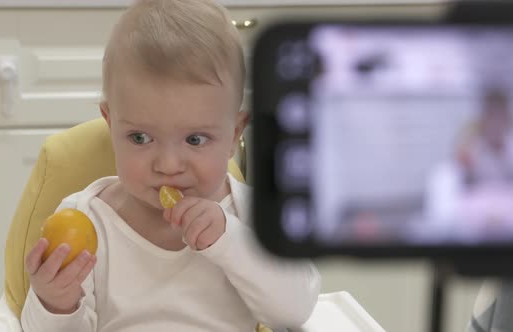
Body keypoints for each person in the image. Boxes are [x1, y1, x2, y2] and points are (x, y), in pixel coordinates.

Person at [19, 1, 321, 331]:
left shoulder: (249, 214)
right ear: (110, 124)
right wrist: (55, 304)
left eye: (195, 139)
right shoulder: (88, 219)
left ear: (234, 134)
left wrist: (229, 241)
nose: (167, 165)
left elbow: (295, 310)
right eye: (139, 138)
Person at [423, 88, 513, 240]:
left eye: (500, 118)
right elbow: (458, 175)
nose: (496, 124)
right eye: (491, 117)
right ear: (483, 119)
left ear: (509, 119)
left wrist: (504, 153)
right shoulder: (471, 142)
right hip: (478, 204)